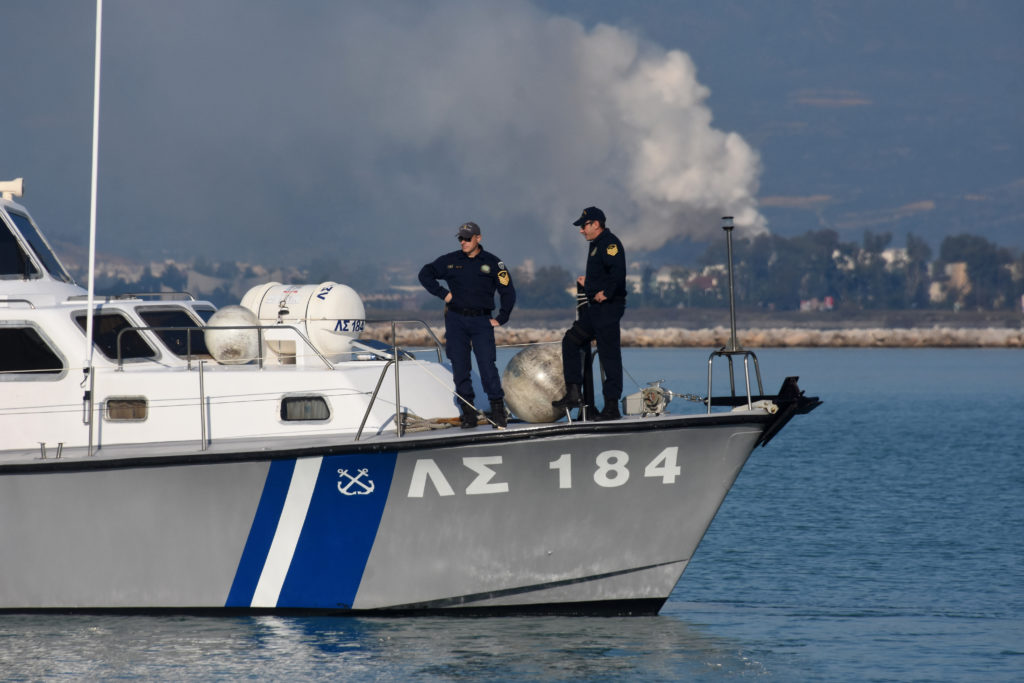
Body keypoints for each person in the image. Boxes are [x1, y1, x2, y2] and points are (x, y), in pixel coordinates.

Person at [418, 221, 516, 429]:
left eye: (467, 238)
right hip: (456, 321)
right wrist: (443, 294)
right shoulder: (451, 261)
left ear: (478, 238)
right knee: (460, 368)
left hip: (481, 321)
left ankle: (498, 410)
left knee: (487, 366)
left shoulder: (493, 263)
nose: (463, 242)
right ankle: (468, 412)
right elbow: (425, 274)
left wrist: (502, 317)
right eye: (460, 238)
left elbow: (508, 291)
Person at [552, 206, 626, 421]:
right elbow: (604, 272)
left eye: (584, 226)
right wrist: (590, 283)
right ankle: (574, 394)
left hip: (608, 308)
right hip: (596, 309)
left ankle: (611, 407)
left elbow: (618, 272)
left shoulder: (610, 243)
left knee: (608, 354)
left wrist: (607, 293)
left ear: (596, 224)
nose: (581, 231)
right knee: (571, 340)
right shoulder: (597, 244)